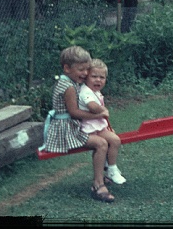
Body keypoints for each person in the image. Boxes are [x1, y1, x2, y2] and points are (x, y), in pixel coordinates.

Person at [38, 45, 115, 203]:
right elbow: (74, 113)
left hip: (69, 126)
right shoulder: (69, 87)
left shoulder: (67, 82)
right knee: (101, 144)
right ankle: (98, 185)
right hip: (66, 130)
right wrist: (98, 114)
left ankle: (103, 175)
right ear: (67, 68)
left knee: (103, 140)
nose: (85, 74)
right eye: (81, 69)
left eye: (87, 69)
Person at [79, 58, 126, 185]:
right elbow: (92, 106)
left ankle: (111, 168)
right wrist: (103, 110)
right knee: (102, 144)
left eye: (102, 77)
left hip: (98, 128)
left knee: (115, 140)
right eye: (94, 76)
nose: (98, 80)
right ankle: (104, 172)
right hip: (88, 130)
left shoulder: (96, 91)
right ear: (86, 77)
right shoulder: (85, 92)